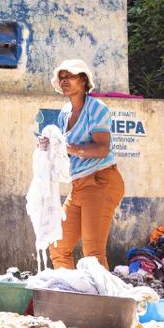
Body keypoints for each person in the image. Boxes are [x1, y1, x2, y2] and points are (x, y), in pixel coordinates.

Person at [41, 59, 125, 270]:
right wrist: (48, 147)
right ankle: (69, 288)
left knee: (92, 253)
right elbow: (64, 151)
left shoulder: (96, 108)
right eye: (61, 77)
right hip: (78, 186)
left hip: (101, 181)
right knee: (58, 246)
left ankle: (102, 293)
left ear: (83, 80)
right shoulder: (64, 112)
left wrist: (68, 148)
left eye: (69, 76)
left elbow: (102, 149)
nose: (64, 81)